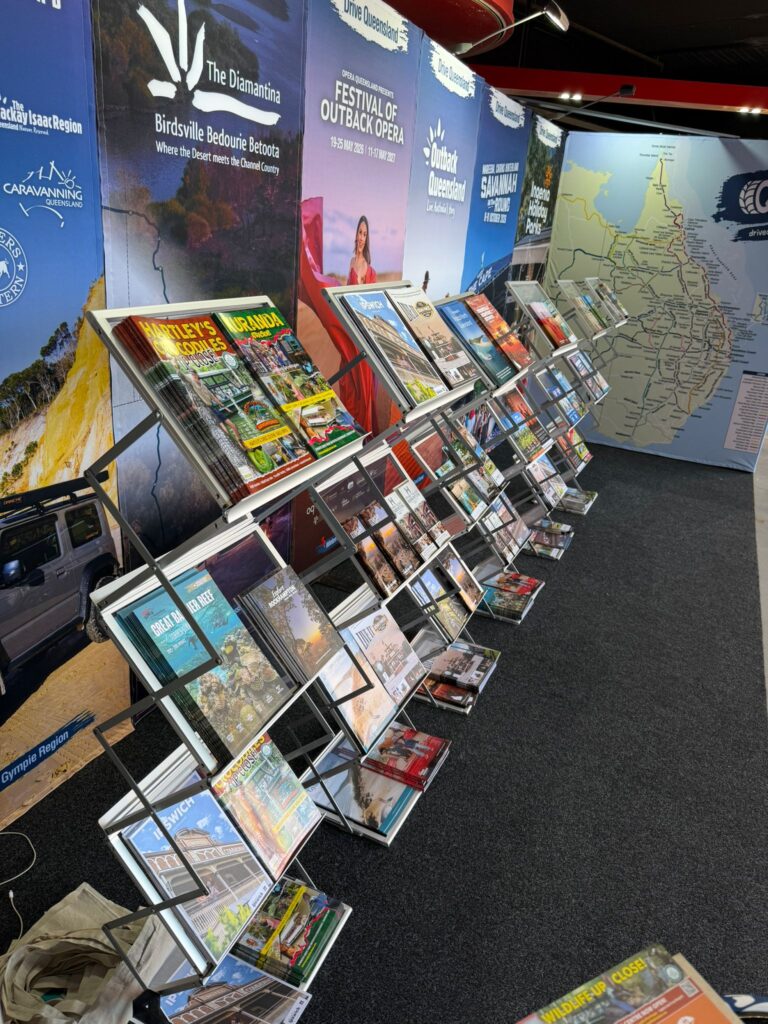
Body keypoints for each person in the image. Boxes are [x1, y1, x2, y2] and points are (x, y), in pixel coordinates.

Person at [347, 215, 376, 285]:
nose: (361, 238)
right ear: (356, 234)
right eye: (360, 232)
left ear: (366, 239)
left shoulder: (366, 267)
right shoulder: (352, 261)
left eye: (364, 235)